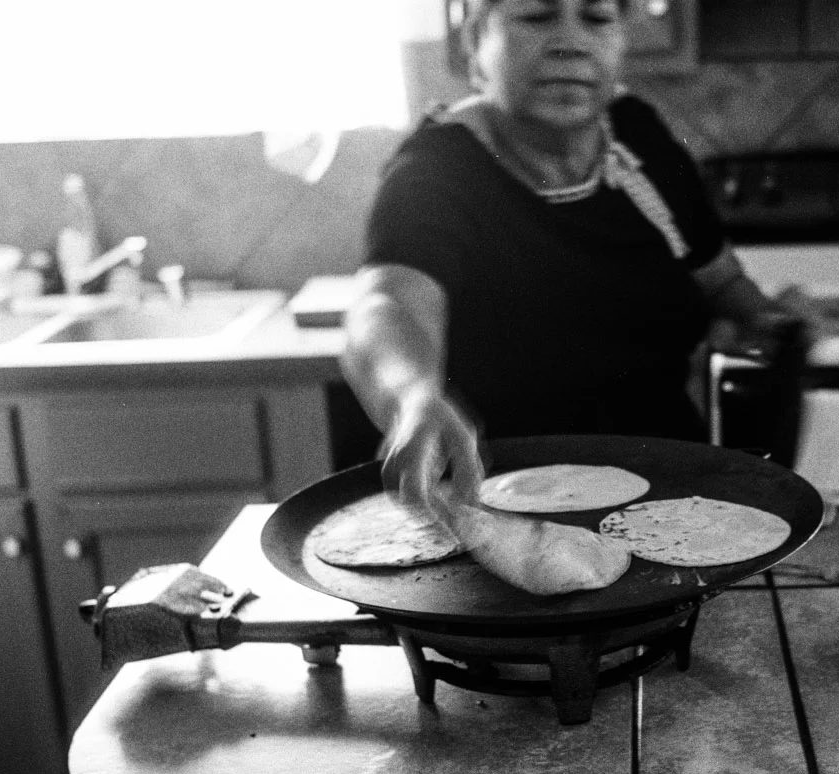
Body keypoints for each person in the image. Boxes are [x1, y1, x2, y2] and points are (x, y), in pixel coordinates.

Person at [341, 0, 802, 512]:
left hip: (674, 504)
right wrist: (412, 395)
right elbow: (387, 303)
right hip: (503, 515)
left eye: (597, 18)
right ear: (477, 40)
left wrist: (766, 318)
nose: (570, 41)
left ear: (621, 39)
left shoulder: (638, 134)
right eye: (536, 17)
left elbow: (719, 283)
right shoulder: (437, 170)